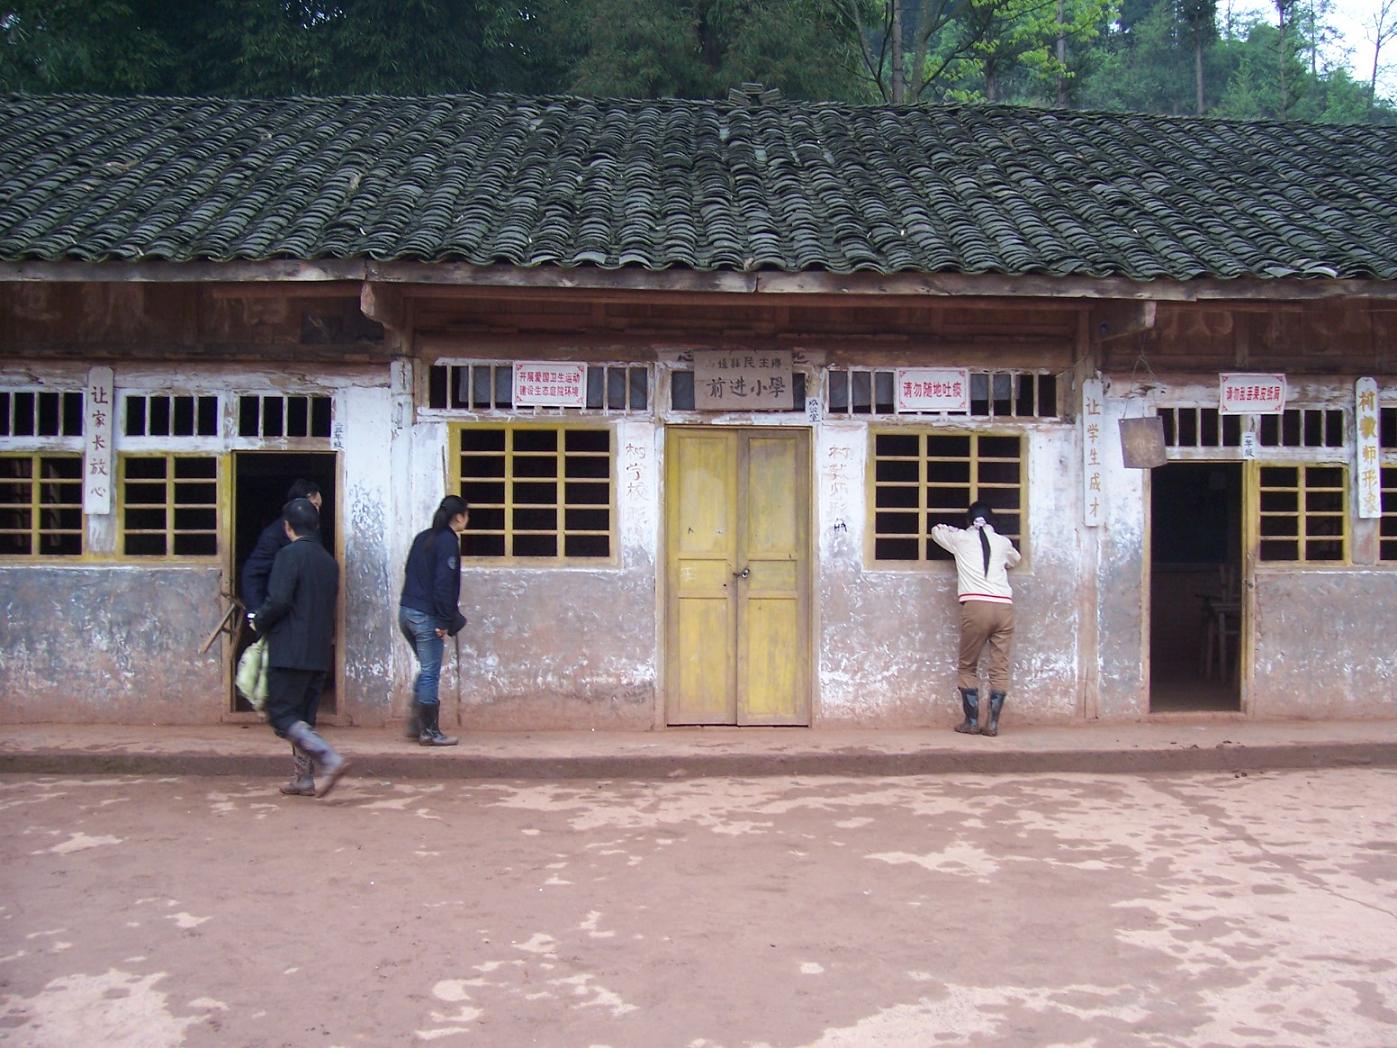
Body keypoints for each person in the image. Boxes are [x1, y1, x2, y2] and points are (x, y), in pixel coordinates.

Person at [248, 497, 348, 797]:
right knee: (304, 716)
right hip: (318, 651)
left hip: (289, 650)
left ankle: (329, 758)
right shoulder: (328, 562)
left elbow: (279, 600)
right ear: (315, 526)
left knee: (281, 714)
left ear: (287, 527)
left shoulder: (288, 555)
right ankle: (303, 778)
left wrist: (259, 620)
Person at [930, 502, 1022, 737]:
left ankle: (971, 721)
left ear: (968, 520)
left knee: (968, 665)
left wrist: (955, 528)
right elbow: (1015, 559)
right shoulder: (1003, 542)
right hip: (1004, 607)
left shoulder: (960, 539)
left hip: (976, 606)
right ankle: (992, 723)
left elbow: (937, 531)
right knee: (999, 667)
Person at [398, 495, 470, 747]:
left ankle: (416, 723)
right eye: (466, 515)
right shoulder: (448, 542)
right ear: (459, 517)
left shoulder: (423, 537)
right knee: (430, 673)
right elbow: (443, 584)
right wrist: (443, 620)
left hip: (406, 612)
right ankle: (429, 731)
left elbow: (409, 571)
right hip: (426, 616)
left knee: (426, 667)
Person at [241, 479, 323, 611]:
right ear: (297, 505)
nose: (317, 511)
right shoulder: (273, 535)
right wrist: (256, 613)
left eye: (319, 506)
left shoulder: (315, 532)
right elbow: (253, 573)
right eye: (314, 505)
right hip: (281, 611)